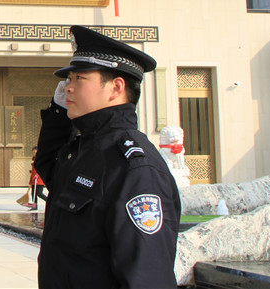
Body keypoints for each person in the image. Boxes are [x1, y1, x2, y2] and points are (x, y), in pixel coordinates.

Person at [34, 26, 180, 289]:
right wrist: (58, 114)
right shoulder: (86, 148)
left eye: (79, 78)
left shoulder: (135, 167)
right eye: (68, 79)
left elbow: (145, 276)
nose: (68, 88)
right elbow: (49, 167)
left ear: (116, 87)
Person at [26, 146, 48, 211]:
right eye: (34, 152)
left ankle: (49, 202)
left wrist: (37, 174)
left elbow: (41, 168)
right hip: (34, 179)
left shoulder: (41, 159)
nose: (34, 153)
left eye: (35, 152)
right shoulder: (35, 159)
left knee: (39, 193)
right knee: (33, 193)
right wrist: (32, 172)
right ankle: (34, 206)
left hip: (39, 179)